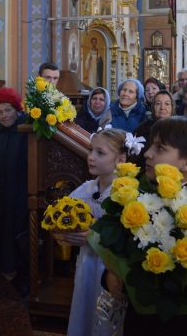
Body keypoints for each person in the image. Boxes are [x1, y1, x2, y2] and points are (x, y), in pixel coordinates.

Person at [103, 116, 187, 336]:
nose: (147, 153)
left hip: (181, 324)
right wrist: (111, 272)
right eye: (150, 145)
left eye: (160, 148)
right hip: (139, 321)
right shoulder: (139, 195)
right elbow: (119, 248)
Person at [63, 127, 129, 336]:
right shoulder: (85, 190)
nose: (91, 157)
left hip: (110, 268)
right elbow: (64, 217)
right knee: (84, 311)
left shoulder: (125, 194)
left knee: (106, 318)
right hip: (87, 262)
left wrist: (93, 235)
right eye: (91, 150)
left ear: (120, 160)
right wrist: (68, 233)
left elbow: (127, 238)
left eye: (100, 153)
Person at [0, 87, 29, 293]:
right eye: (0, 112)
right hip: (1, 192)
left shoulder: (25, 129)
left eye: (8, 110)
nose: (4, 116)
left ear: (16, 110)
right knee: (1, 231)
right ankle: (3, 271)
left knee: (17, 231)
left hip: (20, 192)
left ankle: (20, 275)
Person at [134, 89, 175, 172]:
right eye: (158, 104)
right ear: (153, 107)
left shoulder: (179, 128)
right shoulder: (142, 129)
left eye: (167, 104)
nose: (162, 108)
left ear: (172, 108)